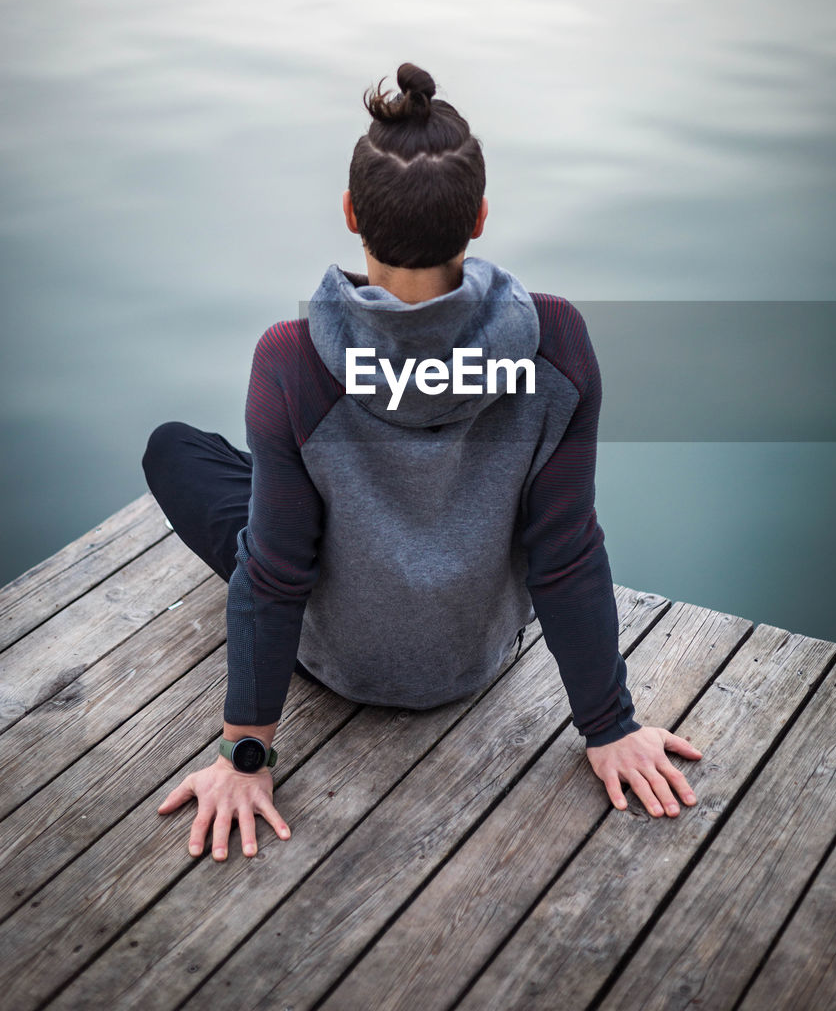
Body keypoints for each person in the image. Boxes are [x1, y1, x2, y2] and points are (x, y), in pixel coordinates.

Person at [143, 63, 701, 862]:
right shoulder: (558, 341)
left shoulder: (290, 358)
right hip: (472, 659)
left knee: (178, 448)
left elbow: (273, 573)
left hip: (337, 663)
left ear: (349, 214)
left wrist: (245, 757)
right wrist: (609, 726)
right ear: (476, 219)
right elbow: (565, 552)